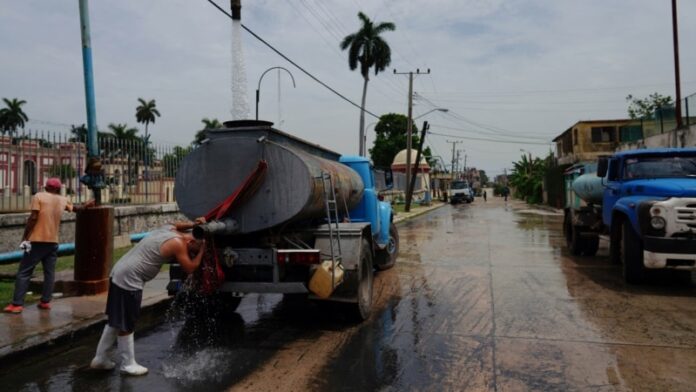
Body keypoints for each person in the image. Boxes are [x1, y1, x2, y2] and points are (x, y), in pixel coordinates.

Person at [90, 221, 206, 376]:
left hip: (120, 271)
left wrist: (194, 223)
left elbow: (174, 223)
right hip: (130, 279)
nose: (191, 253)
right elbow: (190, 267)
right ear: (191, 241)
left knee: (116, 319)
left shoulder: (169, 230)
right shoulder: (178, 243)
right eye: (193, 250)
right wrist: (202, 251)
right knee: (127, 322)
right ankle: (128, 364)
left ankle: (100, 358)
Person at [3, 178, 94, 314]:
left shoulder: (39, 196)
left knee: (24, 272)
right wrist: (87, 205)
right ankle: (45, 301)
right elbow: (76, 209)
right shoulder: (62, 200)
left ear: (45, 187)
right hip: (53, 242)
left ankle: (17, 304)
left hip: (36, 240)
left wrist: (25, 236)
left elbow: (33, 217)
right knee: (49, 273)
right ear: (57, 189)